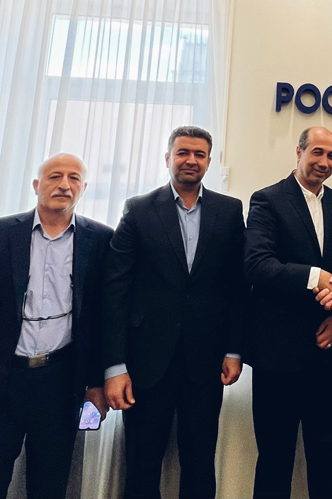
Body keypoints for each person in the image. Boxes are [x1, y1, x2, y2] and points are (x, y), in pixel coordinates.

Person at [0, 153, 113, 499]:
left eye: (74, 178)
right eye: (55, 176)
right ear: (36, 185)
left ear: (84, 188)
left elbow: (103, 319)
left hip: (60, 384)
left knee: (50, 488)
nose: (64, 185)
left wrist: (96, 383)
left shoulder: (101, 240)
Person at [101, 126, 247, 499]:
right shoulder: (138, 210)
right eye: (183, 152)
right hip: (146, 362)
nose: (190, 160)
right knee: (142, 463)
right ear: (168, 158)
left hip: (206, 362)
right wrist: (114, 366)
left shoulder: (230, 211)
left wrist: (234, 349)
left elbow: (237, 286)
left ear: (209, 162)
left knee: (199, 464)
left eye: (199, 154)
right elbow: (116, 289)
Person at [244, 126, 332, 499]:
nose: (324, 162)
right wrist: (316, 278)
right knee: (275, 459)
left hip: (328, 356)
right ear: (299, 152)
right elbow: (257, 265)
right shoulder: (267, 200)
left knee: (330, 458)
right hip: (276, 355)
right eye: (317, 152)